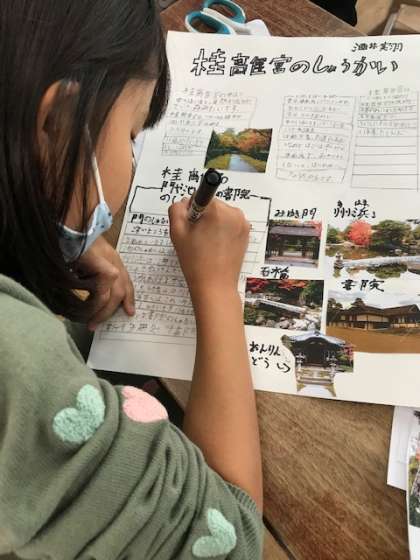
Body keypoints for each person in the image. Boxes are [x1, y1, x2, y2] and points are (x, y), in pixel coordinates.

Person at [0, 1, 263, 559]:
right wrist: (216, 289)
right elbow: (233, 538)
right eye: (130, 136)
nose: (133, 161)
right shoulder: (20, 370)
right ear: (55, 122)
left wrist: (52, 228)